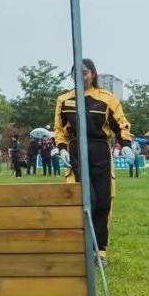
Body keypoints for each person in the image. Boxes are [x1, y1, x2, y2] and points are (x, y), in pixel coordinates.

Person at [52, 58, 135, 264]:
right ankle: (81, 247)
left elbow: (121, 125)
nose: (81, 76)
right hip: (76, 151)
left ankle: (100, 251)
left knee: (103, 201)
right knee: (83, 200)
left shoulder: (107, 98)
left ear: (93, 74)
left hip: (100, 151)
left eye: (85, 72)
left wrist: (125, 144)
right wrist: (61, 148)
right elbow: (59, 130)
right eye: (76, 73)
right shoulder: (64, 100)